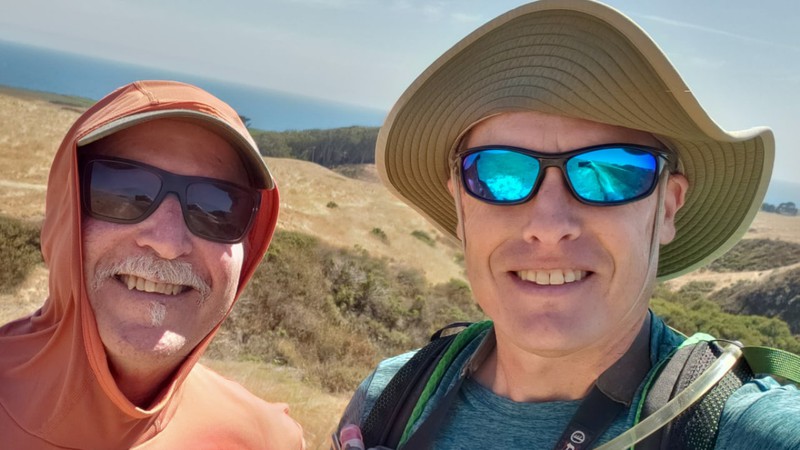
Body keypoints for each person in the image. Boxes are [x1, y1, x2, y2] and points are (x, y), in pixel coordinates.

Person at [335, 1, 800, 449]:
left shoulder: (737, 427)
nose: (549, 224)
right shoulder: (388, 401)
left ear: (666, 209)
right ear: (459, 202)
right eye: (500, 173)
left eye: (610, 173)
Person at [0, 80, 306, 449]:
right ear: (66, 211)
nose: (167, 243)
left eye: (217, 208)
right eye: (124, 191)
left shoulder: (268, 441)